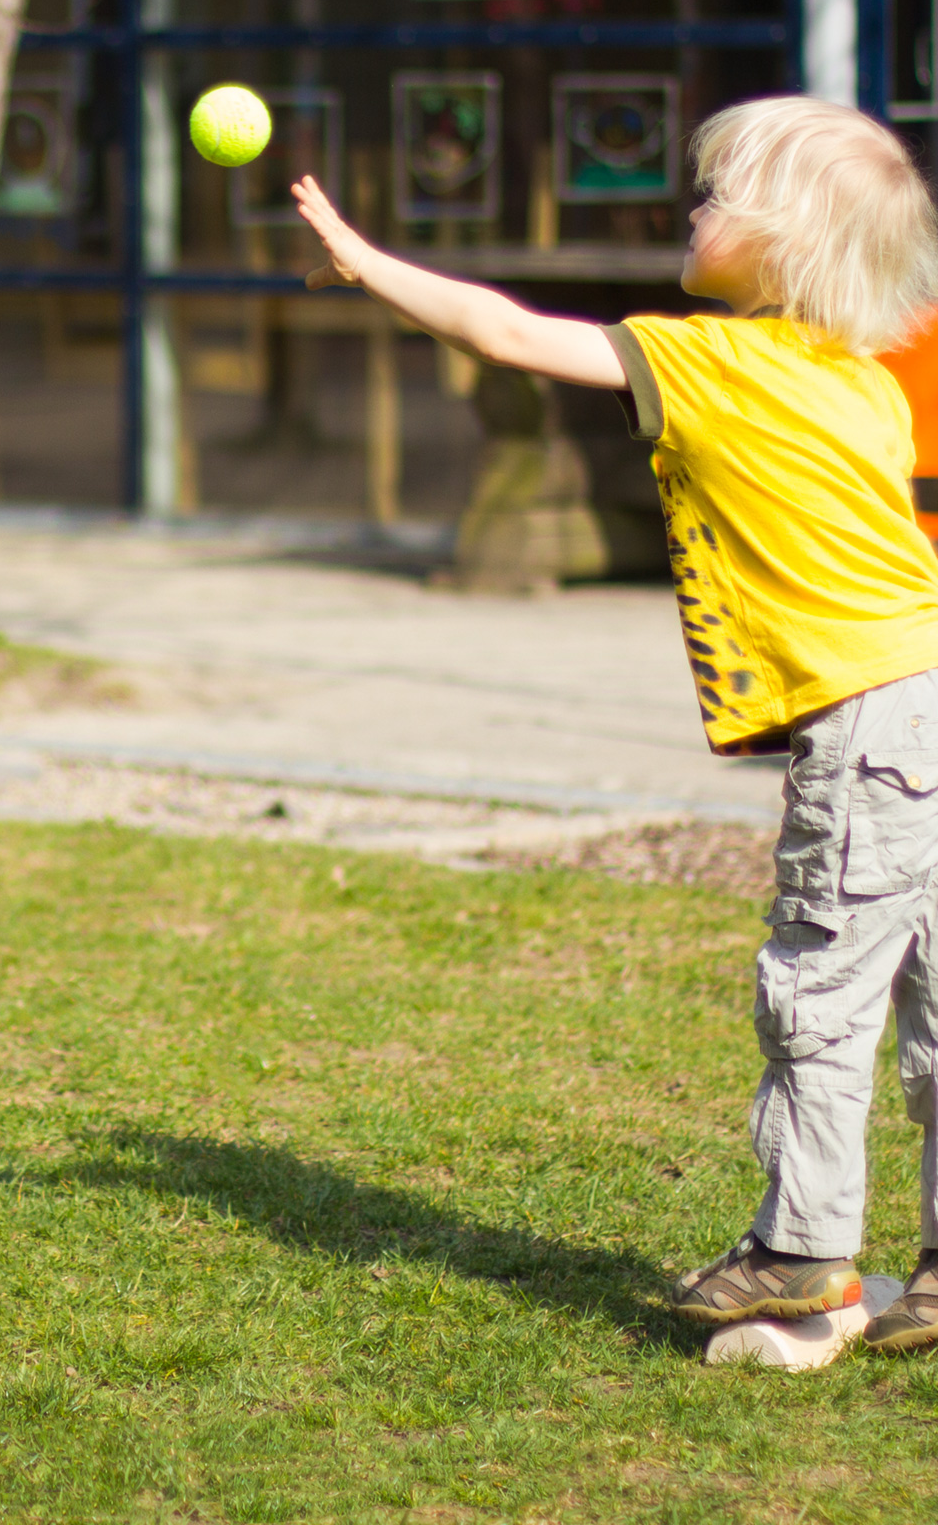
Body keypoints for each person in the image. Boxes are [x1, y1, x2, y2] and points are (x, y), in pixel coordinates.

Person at [289, 95, 938, 1353]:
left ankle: (802, 1253)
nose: (690, 210)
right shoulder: (863, 384)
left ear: (786, 239)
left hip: (867, 721)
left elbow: (507, 333)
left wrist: (366, 263)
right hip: (925, 690)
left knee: (816, 986)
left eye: (717, 194)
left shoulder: (713, 360)